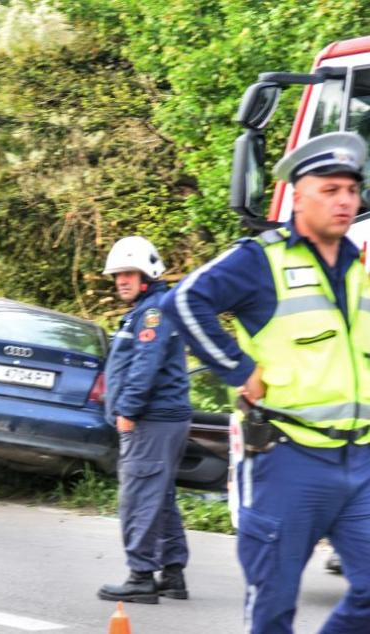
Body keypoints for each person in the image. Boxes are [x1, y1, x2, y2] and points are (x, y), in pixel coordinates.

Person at [162, 131, 370, 633]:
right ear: (298, 196)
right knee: (274, 606)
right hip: (287, 458)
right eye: (330, 189)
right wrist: (237, 368)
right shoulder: (261, 259)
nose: (345, 201)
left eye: (351, 189)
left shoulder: (359, 267)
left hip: (360, 458)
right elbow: (185, 302)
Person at [97, 236, 193, 605]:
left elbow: (144, 366)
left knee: (138, 496)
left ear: (147, 274)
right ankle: (172, 574)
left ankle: (141, 575)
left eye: (128, 273)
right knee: (161, 496)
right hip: (164, 418)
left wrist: (128, 411)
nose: (121, 280)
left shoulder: (152, 313)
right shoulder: (148, 310)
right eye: (117, 274)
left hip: (150, 419)